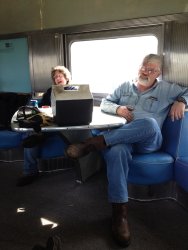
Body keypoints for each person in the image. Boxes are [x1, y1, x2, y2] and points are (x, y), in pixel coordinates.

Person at [65, 54, 188, 247]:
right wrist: (118, 109)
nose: (146, 71)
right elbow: (105, 102)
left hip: (149, 141)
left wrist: (182, 100)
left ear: (159, 73)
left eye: (152, 69)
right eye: (144, 67)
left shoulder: (167, 89)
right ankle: (119, 215)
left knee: (149, 123)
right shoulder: (124, 86)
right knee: (117, 151)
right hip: (124, 138)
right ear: (138, 67)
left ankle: (93, 143)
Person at [17, 66, 72, 187]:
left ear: (66, 78)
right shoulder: (50, 91)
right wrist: (45, 109)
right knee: (31, 134)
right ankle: (30, 172)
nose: (57, 78)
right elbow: (41, 107)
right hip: (51, 123)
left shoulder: (74, 90)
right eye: (55, 77)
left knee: (37, 133)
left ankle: (40, 135)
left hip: (70, 125)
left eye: (60, 76)